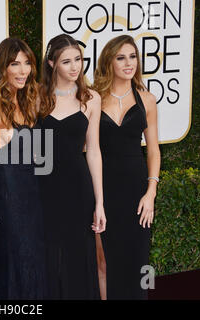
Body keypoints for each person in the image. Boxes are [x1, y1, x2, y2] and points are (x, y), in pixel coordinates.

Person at [0, 37, 46, 299]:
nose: (23, 70)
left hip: (36, 197)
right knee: (17, 266)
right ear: (2, 68)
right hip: (10, 201)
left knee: (37, 266)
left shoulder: (30, 100)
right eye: (15, 64)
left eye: (27, 63)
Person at [38, 34, 106, 299]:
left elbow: (94, 151)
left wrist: (99, 203)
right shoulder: (36, 97)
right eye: (67, 61)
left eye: (78, 59)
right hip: (43, 189)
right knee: (48, 260)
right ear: (52, 63)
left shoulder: (91, 98)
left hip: (78, 190)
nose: (75, 67)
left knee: (79, 257)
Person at [92, 35, 161, 300]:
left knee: (141, 259)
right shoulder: (93, 98)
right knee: (103, 261)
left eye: (132, 56)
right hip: (103, 188)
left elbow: (153, 149)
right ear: (109, 62)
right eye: (121, 57)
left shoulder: (148, 100)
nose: (128, 62)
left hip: (137, 191)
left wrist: (151, 192)